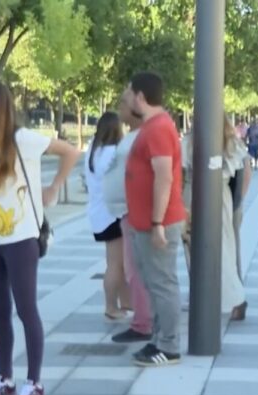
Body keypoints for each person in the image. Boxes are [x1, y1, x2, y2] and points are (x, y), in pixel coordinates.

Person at [0, 80, 79, 395]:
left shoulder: (22, 139)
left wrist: (54, 187)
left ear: (2, 103)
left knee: (26, 309)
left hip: (21, 239)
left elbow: (70, 151)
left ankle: (34, 382)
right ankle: (5, 378)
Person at [125, 72, 187, 366]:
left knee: (162, 283)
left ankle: (169, 345)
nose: (126, 100)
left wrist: (157, 223)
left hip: (157, 223)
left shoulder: (158, 129)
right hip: (147, 222)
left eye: (128, 95)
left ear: (140, 96)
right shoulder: (155, 127)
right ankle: (161, 340)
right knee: (155, 282)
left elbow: (164, 177)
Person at [183, 115, 252, 320]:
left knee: (194, 250)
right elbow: (245, 173)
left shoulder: (188, 142)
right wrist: (237, 201)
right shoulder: (232, 143)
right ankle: (228, 298)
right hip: (221, 196)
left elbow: (178, 172)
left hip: (192, 194)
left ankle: (219, 297)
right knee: (225, 249)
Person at [104, 87, 154, 343]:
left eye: (123, 102)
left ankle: (145, 324)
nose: (120, 108)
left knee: (139, 270)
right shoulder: (132, 136)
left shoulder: (142, 137)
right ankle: (143, 320)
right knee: (133, 270)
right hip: (127, 213)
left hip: (137, 214)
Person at [85, 111, 132, 319]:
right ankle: (111, 307)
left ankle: (126, 303)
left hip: (98, 213)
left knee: (115, 262)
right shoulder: (115, 152)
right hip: (114, 213)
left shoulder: (93, 151)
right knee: (117, 264)